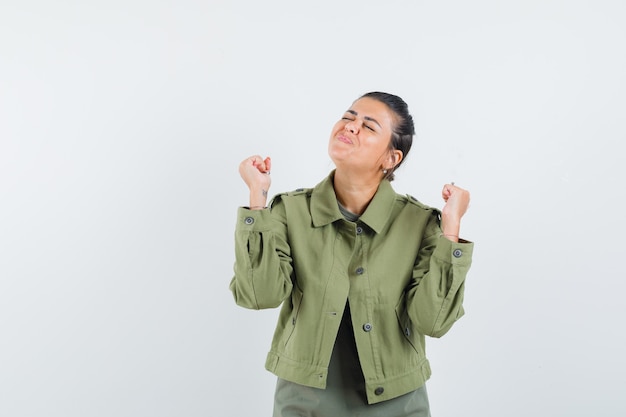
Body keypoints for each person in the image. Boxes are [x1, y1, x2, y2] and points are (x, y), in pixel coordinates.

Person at [230, 91, 474, 416]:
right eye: (348, 117)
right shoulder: (289, 211)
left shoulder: (420, 224)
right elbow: (259, 296)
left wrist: (451, 229)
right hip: (305, 402)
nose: (351, 127)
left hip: (397, 402)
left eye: (368, 126)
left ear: (391, 158)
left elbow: (433, 321)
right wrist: (257, 199)